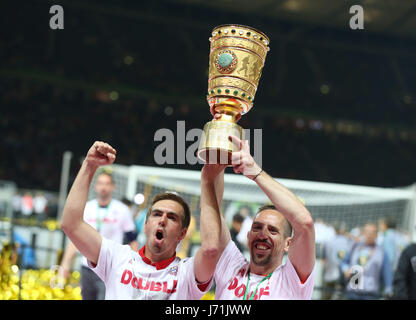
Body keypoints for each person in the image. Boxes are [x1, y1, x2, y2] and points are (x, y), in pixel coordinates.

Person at [60, 141, 213, 299]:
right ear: (145, 225)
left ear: (182, 233)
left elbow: (211, 249)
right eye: (157, 214)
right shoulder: (117, 257)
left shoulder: (187, 273)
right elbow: (71, 225)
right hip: (89, 265)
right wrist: (89, 165)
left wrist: (210, 178)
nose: (162, 220)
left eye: (172, 217)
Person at [198, 134, 316, 300]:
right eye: (257, 227)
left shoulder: (291, 280)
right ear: (248, 236)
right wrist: (223, 136)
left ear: (288, 243)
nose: (262, 234)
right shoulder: (232, 267)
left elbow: (305, 222)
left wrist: (255, 171)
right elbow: (213, 211)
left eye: (273, 230)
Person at [60, 170, 139, 300]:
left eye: (107, 183)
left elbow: (132, 240)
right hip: (87, 267)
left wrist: (137, 268)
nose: (103, 187)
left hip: (111, 268)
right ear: (96, 186)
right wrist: (65, 263)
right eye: (101, 183)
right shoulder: (86, 208)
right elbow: (75, 240)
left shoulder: (122, 210)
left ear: (113, 187)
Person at [341, 223, 393, 300]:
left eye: (372, 233)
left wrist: (388, 289)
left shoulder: (381, 252)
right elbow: (344, 262)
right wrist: (345, 270)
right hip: (353, 292)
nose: (369, 235)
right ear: (364, 233)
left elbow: (387, 272)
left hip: (370, 294)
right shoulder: (355, 247)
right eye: (367, 232)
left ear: (376, 235)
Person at [321, 221, 354, 299]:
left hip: (329, 274)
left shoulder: (327, 242)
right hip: (344, 276)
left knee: (326, 297)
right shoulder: (349, 242)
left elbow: (324, 260)